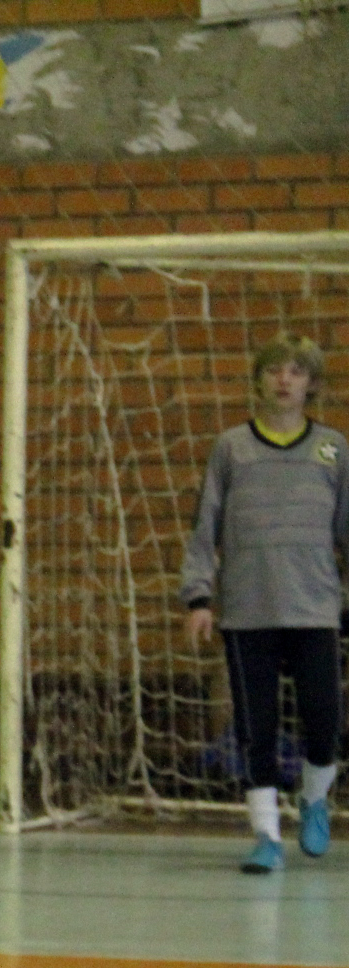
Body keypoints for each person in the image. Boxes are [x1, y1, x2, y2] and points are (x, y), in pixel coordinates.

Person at [181, 333, 347, 873]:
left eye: (296, 371)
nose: (284, 379)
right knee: (256, 726)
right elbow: (205, 526)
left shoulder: (333, 449)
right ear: (257, 379)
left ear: (311, 384)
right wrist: (198, 596)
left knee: (324, 720)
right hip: (247, 611)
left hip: (314, 609)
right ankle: (267, 836)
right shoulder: (232, 448)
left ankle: (315, 798)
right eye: (274, 369)